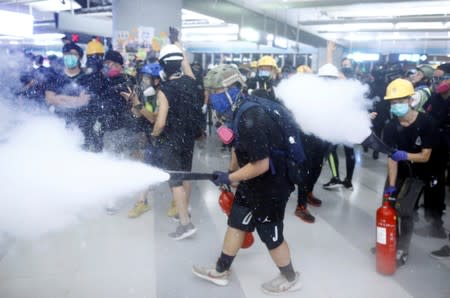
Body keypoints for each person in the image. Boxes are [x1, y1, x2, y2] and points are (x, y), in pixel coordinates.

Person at [192, 64, 301, 295]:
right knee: (237, 221)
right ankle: (221, 270)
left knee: (270, 234)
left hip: (272, 184)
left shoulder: (252, 116)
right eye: (208, 91)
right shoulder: (235, 111)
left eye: (214, 92)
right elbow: (237, 148)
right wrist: (231, 176)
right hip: (252, 180)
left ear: (232, 89)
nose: (210, 97)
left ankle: (291, 277)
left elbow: (261, 164)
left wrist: (231, 176)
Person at [382, 78, 439, 266]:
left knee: (404, 210)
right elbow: (392, 158)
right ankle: (391, 240)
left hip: (419, 172)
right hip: (399, 170)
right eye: (393, 102)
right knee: (388, 205)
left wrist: (404, 155)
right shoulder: (390, 126)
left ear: (410, 100)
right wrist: (391, 186)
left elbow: (425, 156)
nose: (396, 105)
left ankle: (402, 249)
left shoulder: (427, 123)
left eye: (400, 101)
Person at [151, 42, 199, 240]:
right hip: (188, 139)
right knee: (185, 176)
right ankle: (183, 212)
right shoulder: (191, 82)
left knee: (175, 181)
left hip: (171, 141)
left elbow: (160, 122)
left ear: (162, 66)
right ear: (179, 63)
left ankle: (185, 225)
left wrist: (153, 136)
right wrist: (182, 52)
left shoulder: (164, 90)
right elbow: (187, 68)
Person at [125, 62, 162, 219]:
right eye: (143, 78)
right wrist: (133, 103)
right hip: (151, 138)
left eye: (147, 78)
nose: (144, 81)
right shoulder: (147, 94)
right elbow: (139, 115)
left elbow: (154, 118)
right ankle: (142, 202)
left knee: (173, 174)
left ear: (157, 80)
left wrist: (138, 105)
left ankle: (179, 203)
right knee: (147, 165)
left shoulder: (162, 95)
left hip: (165, 138)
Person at [416, 81, 450, 238]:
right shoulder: (435, 97)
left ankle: (437, 226)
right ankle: (432, 221)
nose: (444, 81)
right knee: (431, 182)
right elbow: (426, 112)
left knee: (437, 184)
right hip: (431, 145)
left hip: (443, 147)